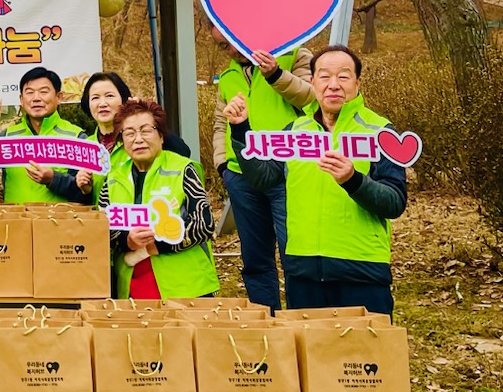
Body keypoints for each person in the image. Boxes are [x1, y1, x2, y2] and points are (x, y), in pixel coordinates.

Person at [226, 45, 406, 315]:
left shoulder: (379, 131)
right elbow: (263, 178)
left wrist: (352, 179)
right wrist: (240, 129)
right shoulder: (296, 131)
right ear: (312, 83)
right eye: (324, 76)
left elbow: (394, 202)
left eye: (344, 76)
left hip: (361, 269)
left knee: (362, 356)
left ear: (358, 82)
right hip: (303, 270)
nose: (333, 85)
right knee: (310, 356)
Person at [212, 30, 315, 309]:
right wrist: (222, 164)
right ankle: (266, 323)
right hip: (242, 175)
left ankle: (301, 323)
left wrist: (275, 74)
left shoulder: (295, 55)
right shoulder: (228, 75)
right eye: (223, 46)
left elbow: (311, 98)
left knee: (295, 254)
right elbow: (221, 123)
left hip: (288, 170)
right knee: (255, 260)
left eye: (233, 41)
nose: (231, 51)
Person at [98, 98, 218, 300]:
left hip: (186, 286)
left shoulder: (183, 169)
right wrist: (127, 240)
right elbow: (100, 228)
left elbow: (203, 225)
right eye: (129, 133)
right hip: (131, 287)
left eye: (146, 130)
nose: (138, 139)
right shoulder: (112, 177)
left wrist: (155, 245)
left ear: (161, 135)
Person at [71, 71, 190, 203]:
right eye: (95, 98)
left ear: (124, 99)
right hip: (105, 220)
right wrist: (86, 190)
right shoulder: (84, 148)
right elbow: (81, 199)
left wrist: (149, 122)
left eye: (109, 96)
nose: (102, 103)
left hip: (150, 218)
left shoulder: (139, 139)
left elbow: (183, 152)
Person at [0, 66, 87, 204]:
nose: (36, 98)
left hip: (60, 223)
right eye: (29, 92)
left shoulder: (76, 137)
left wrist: (53, 179)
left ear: (59, 97)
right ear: (21, 99)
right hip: (16, 221)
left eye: (44, 92)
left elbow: (85, 193)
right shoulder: (8, 136)